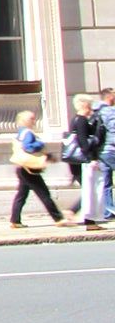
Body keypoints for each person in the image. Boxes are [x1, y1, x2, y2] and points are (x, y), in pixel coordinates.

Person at [10, 111, 72, 229]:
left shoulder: (21, 132)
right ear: (25, 120)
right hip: (29, 169)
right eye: (32, 119)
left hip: (22, 168)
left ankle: (15, 220)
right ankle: (58, 219)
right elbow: (28, 147)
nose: (34, 121)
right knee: (44, 194)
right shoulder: (28, 133)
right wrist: (40, 143)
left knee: (22, 194)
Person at [69, 96, 107, 229]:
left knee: (90, 190)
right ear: (83, 105)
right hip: (86, 161)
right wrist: (93, 157)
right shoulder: (81, 120)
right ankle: (89, 220)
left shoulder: (78, 120)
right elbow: (84, 143)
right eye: (89, 105)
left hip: (82, 161)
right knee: (91, 190)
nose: (91, 108)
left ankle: (89, 220)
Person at [96, 88, 115, 221]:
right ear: (110, 97)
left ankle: (108, 211)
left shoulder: (95, 111)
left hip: (100, 152)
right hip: (111, 150)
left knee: (106, 183)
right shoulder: (110, 111)